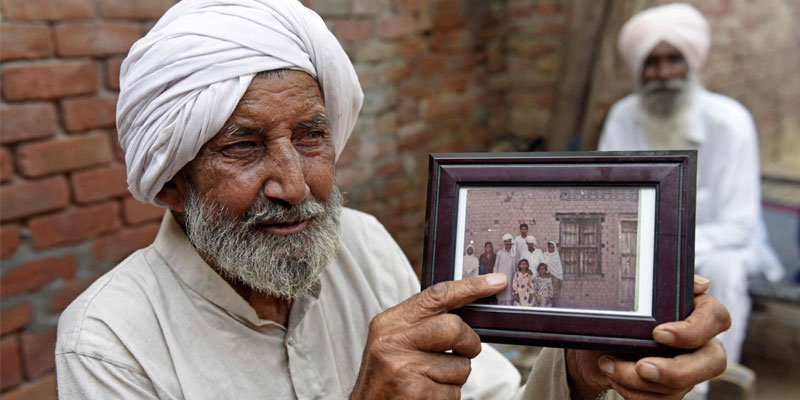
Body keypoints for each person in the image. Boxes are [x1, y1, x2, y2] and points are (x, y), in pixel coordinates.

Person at [55, 1, 730, 399]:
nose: (295, 185)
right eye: (244, 146)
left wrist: (580, 376)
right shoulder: (110, 342)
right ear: (171, 180)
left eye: (311, 136)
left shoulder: (363, 242)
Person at [598, 2, 782, 365]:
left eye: (674, 60)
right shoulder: (622, 117)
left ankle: (714, 373)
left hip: (718, 246)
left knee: (724, 271)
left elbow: (738, 226)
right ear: (639, 70)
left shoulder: (729, 122)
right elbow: (610, 199)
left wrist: (668, 252)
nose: (665, 74)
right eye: (652, 63)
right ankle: (628, 363)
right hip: (640, 243)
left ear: (691, 63)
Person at [493, 234, 518, 306]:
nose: (507, 243)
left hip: (512, 279)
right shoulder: (500, 253)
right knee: (501, 299)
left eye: (509, 241)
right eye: (506, 241)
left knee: (510, 300)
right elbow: (496, 267)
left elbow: (517, 267)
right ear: (504, 243)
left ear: (511, 242)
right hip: (501, 279)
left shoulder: (515, 253)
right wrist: (495, 279)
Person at [543, 241, 564, 306]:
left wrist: (560, 278)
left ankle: (555, 307)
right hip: (547, 276)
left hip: (556, 278)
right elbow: (543, 264)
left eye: (553, 247)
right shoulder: (545, 255)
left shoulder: (556, 255)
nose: (551, 249)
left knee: (555, 294)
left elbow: (559, 268)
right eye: (550, 247)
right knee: (547, 293)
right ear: (547, 248)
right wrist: (547, 273)